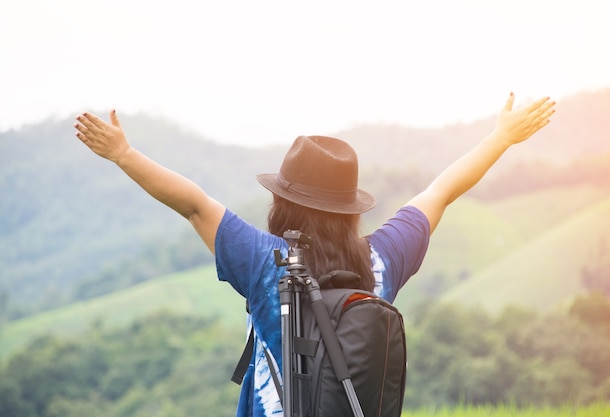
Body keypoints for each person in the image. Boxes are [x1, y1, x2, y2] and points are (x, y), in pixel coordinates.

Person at [74, 92, 555, 416]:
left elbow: (194, 204)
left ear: (283, 202)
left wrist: (124, 155)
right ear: (350, 210)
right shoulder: (381, 261)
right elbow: (441, 192)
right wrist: (501, 138)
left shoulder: (266, 261)